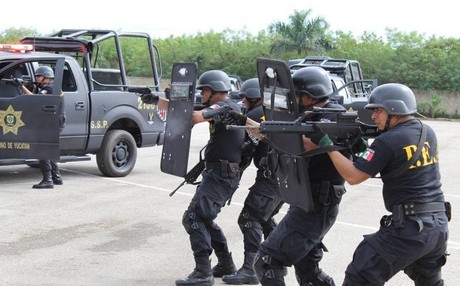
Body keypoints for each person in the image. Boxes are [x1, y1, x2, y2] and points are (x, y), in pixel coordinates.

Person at [309, 83, 450, 285]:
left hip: (410, 230)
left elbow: (354, 176)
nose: (374, 116)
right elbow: (394, 157)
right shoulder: (427, 131)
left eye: (378, 110)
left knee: (361, 274)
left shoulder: (387, 141)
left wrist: (327, 145)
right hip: (438, 228)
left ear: (394, 109)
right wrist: (361, 146)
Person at [228, 66, 351, 285]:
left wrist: (269, 132)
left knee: (267, 262)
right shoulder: (310, 114)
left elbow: (306, 143)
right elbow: (284, 135)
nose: (294, 100)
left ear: (310, 95)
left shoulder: (334, 115)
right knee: (308, 271)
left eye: (298, 95)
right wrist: (250, 125)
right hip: (305, 200)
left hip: (317, 205)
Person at [143, 70, 245, 286]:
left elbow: (193, 117)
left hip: (221, 175)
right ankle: (225, 264)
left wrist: (178, 99)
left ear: (215, 90)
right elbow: (191, 110)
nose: (202, 94)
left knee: (193, 218)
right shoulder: (223, 107)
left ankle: (203, 273)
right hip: (218, 173)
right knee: (204, 218)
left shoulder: (224, 106)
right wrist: (156, 100)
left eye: (205, 90)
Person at [221, 78, 284, 285]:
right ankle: (278, 261)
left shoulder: (256, 114)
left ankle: (250, 269)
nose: (243, 101)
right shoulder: (276, 111)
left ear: (251, 97)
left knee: (249, 218)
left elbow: (247, 149)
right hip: (283, 178)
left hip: (269, 178)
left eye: (245, 97)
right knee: (264, 219)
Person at [20, 66, 65, 189]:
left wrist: (21, 86)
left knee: (43, 149)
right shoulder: (53, 88)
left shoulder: (49, 89)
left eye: (38, 76)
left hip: (50, 124)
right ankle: (56, 177)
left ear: (46, 77)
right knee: (50, 149)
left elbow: (35, 100)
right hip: (54, 122)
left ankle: (48, 180)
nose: (37, 78)